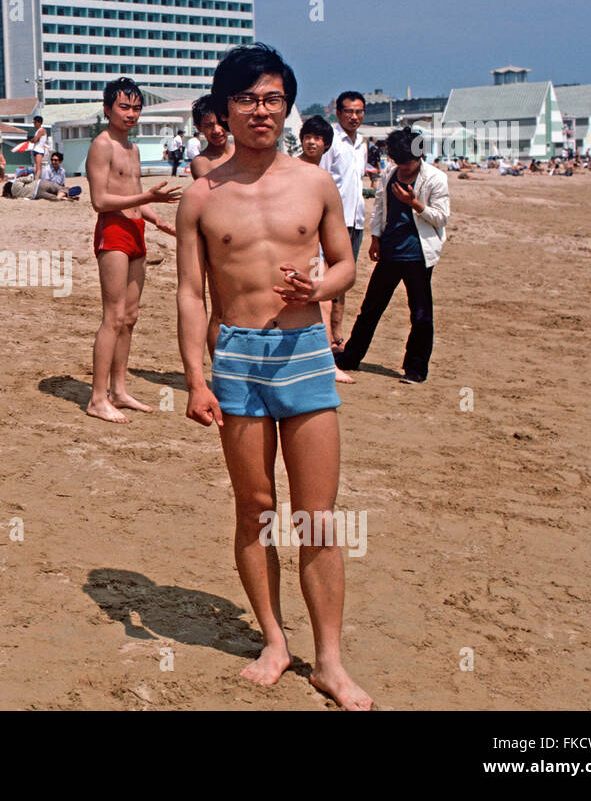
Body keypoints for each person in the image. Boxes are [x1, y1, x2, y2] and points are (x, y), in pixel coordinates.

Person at [176, 42, 370, 710]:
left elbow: (346, 264)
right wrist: (195, 378)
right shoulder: (201, 196)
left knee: (317, 516)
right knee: (256, 510)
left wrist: (317, 291)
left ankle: (331, 661)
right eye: (246, 99)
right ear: (224, 109)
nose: (260, 110)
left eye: (271, 99)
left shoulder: (314, 182)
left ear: (287, 106)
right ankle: (274, 639)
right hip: (238, 360)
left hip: (305, 355)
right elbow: (190, 295)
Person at [85, 77, 180, 423]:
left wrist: (158, 220)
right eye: (124, 107)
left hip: (136, 230)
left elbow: (134, 192)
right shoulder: (102, 145)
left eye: (136, 108)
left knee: (130, 316)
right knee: (112, 316)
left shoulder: (134, 148)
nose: (131, 114)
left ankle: (119, 390)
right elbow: (99, 201)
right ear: (108, 108)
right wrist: (147, 199)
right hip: (113, 232)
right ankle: (97, 398)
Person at [336, 127, 450, 384]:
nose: (403, 168)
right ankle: (351, 357)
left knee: (421, 314)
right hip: (390, 251)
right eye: (398, 162)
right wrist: (375, 237)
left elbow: (442, 217)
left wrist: (415, 203)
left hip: (418, 255)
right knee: (370, 309)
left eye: (407, 163)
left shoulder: (435, 178)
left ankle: (416, 368)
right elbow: (379, 206)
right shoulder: (389, 172)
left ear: (419, 157)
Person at [298, 117, 354, 385]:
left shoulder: (323, 176)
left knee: (322, 299)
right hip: (292, 248)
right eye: (308, 136)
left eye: (318, 139)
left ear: (326, 145)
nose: (311, 142)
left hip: (315, 249)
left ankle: (325, 361)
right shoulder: (292, 170)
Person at [320, 91, 368, 359]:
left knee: (343, 281)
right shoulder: (331, 141)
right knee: (325, 278)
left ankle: (338, 335)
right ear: (338, 113)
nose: (354, 116)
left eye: (359, 112)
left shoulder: (362, 143)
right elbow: (322, 178)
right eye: (349, 111)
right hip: (331, 222)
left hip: (356, 220)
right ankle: (324, 335)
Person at [189, 94, 235, 179]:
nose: (216, 130)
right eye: (209, 125)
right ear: (199, 128)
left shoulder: (244, 152)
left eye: (221, 123)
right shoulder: (202, 162)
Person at [29, 115, 49, 196]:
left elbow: (35, 139)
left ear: (39, 123)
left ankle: (36, 181)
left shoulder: (41, 130)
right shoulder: (37, 131)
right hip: (36, 149)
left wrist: (33, 140)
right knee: (37, 166)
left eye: (35, 122)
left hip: (39, 150)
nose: (34, 124)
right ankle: (36, 179)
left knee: (38, 167)